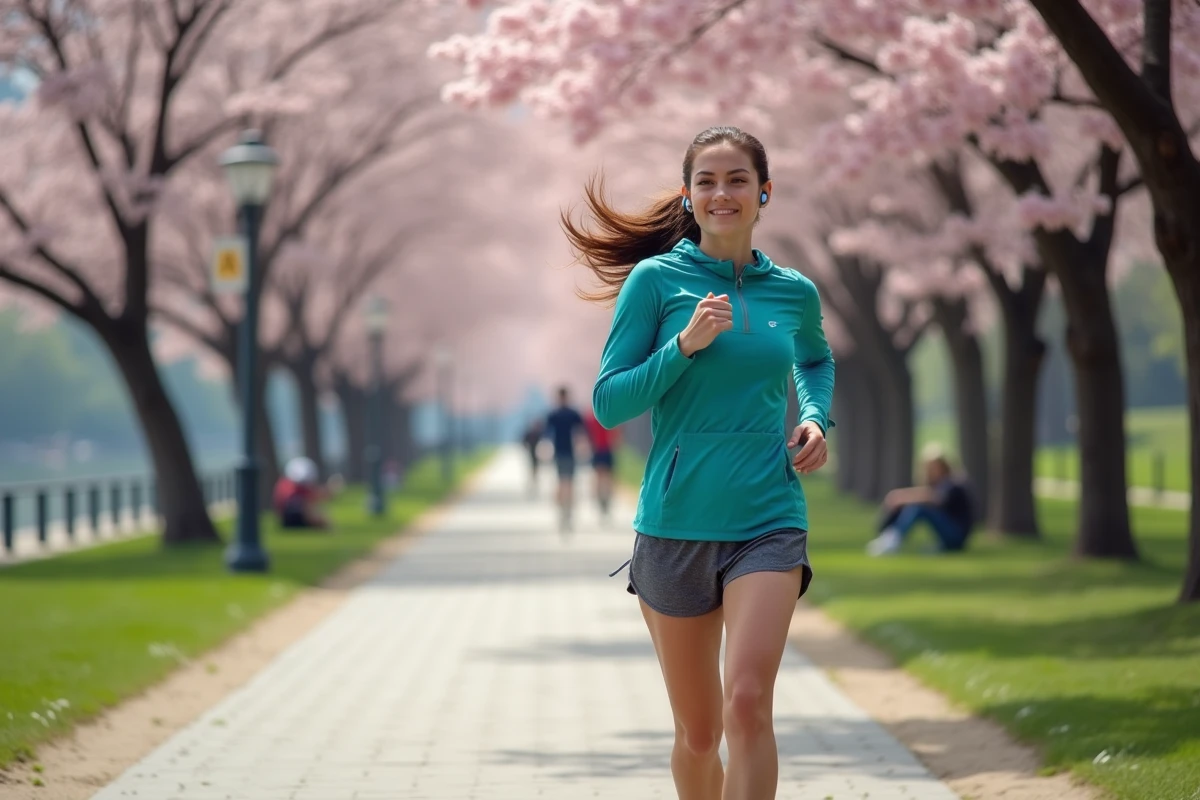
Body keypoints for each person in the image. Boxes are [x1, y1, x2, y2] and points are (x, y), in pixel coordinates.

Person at [565, 126, 835, 800]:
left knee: (748, 703)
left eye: (738, 179)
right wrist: (682, 347)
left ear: (763, 192)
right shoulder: (656, 283)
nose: (723, 193)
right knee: (699, 736)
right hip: (675, 525)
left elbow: (815, 357)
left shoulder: (793, 292)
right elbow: (607, 402)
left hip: (768, 518)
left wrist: (813, 416)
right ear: (688, 196)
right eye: (707, 182)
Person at [866, 446, 975, 556]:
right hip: (950, 536)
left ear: (943, 466)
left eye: (934, 467)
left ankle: (893, 539)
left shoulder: (953, 483)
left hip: (957, 537)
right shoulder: (940, 485)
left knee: (919, 508)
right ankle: (889, 535)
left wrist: (902, 497)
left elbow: (935, 498)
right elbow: (929, 493)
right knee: (915, 506)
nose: (931, 471)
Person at [543, 386, 587, 532]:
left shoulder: (554, 414)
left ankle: (565, 510)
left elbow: (547, 435)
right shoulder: (571, 414)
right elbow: (581, 433)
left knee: (564, 482)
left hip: (565, 452)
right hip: (565, 453)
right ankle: (565, 510)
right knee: (565, 482)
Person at [583, 407, 620, 522]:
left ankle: (601, 502)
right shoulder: (611, 415)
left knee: (599, 478)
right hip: (607, 449)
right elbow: (616, 434)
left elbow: (588, 434)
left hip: (597, 449)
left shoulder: (591, 417)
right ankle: (606, 502)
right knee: (608, 478)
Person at [272, 456, 329, 530]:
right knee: (310, 508)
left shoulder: (285, 484)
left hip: (289, 519)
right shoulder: (287, 487)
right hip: (289, 518)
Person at [521, 417, 544, 498]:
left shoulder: (538, 433)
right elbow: (524, 442)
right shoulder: (530, 433)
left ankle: (534, 482)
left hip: (537, 453)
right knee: (532, 469)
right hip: (531, 453)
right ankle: (532, 483)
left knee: (535, 469)